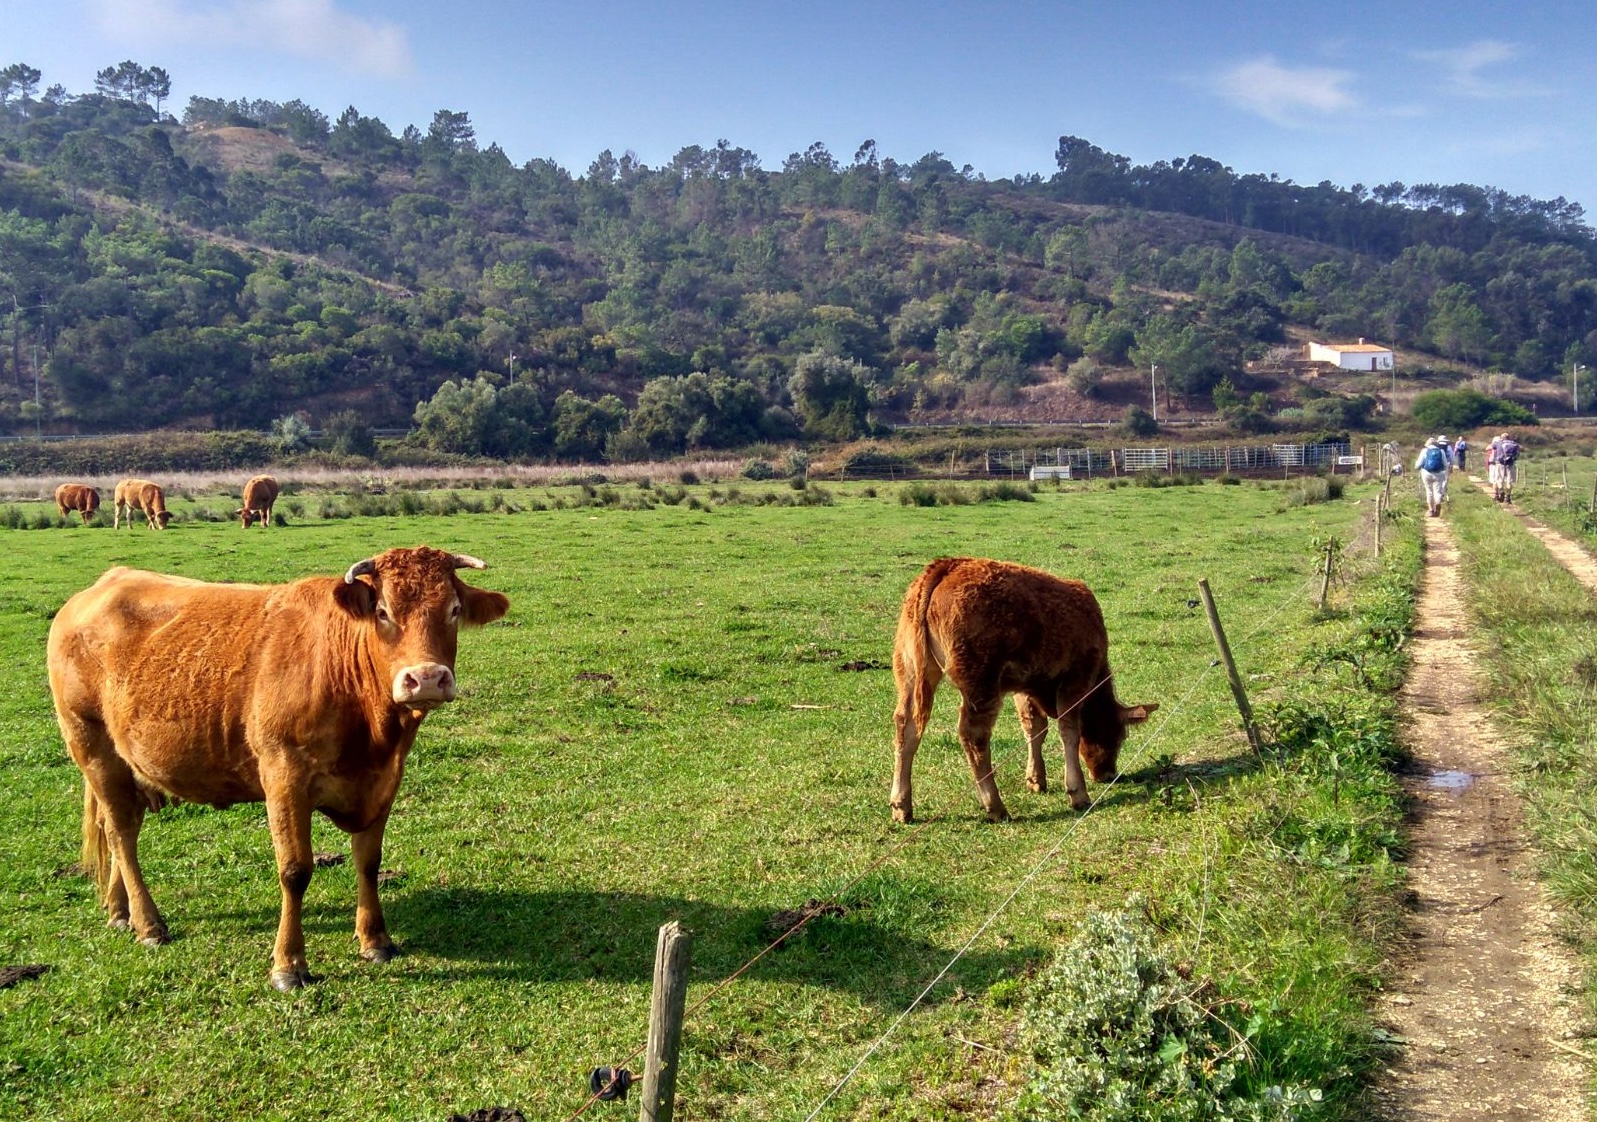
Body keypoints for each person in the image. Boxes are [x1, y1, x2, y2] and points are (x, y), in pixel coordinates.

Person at [1415, 435, 1451, 517]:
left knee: (1429, 491)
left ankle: (1431, 510)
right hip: (1438, 474)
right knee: (1437, 491)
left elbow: (1418, 464)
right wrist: (1445, 473)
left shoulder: (1424, 451)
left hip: (1426, 473)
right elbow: (1445, 464)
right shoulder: (1441, 451)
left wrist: (1417, 467)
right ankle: (1438, 504)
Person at [1488, 431, 1520, 503]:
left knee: (1499, 479)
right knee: (1509, 481)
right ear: (1509, 438)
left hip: (1500, 463)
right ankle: (1508, 497)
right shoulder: (1514, 443)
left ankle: (1501, 491)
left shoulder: (1498, 443)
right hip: (1510, 464)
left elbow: (1491, 447)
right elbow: (1518, 452)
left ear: (1502, 438)